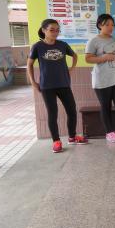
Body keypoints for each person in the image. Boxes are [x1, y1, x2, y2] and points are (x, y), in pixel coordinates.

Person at [27, 19, 88, 153]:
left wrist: (71, 69)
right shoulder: (37, 46)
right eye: (51, 30)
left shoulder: (62, 45)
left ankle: (72, 137)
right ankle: (56, 141)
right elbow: (29, 64)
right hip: (47, 86)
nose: (55, 32)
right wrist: (33, 81)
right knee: (52, 113)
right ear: (44, 30)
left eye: (57, 30)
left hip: (63, 83)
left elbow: (74, 56)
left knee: (72, 111)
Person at [85, 14, 115, 143]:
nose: (111, 27)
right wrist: (104, 58)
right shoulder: (93, 41)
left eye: (112, 25)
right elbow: (88, 59)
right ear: (100, 25)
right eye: (107, 24)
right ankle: (109, 132)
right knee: (105, 106)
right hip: (102, 79)